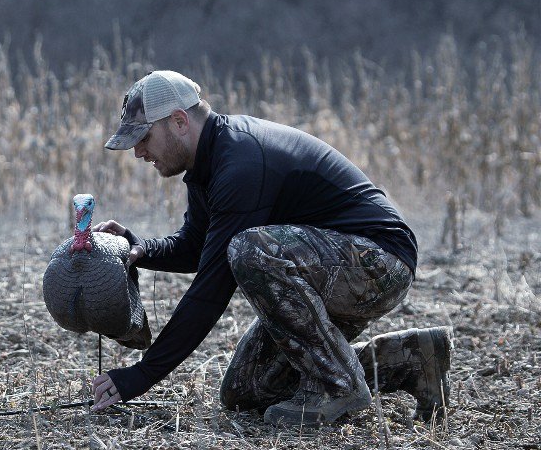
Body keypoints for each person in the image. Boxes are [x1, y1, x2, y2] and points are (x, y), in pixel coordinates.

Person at [90, 70, 450, 425]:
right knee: (245, 391)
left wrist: (142, 375)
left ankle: (339, 387)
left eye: (144, 137)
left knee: (249, 250)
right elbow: (198, 246)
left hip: (378, 261)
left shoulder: (241, 164)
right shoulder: (208, 163)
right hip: (329, 268)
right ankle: (411, 360)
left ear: (179, 121)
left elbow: (211, 290)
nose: (138, 151)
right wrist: (141, 249)